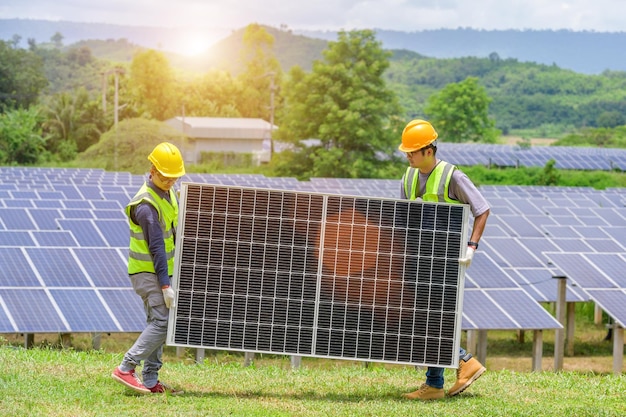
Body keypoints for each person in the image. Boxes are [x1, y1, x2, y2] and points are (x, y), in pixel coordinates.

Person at [398, 119, 490, 401]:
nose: (408, 156)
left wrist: (471, 246)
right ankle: (436, 383)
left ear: (429, 150)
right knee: (426, 318)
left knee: (431, 319)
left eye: (412, 151)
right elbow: (402, 218)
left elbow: (482, 209)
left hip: (446, 261)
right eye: (406, 152)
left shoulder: (453, 176)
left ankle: (464, 361)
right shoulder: (409, 177)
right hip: (419, 259)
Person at [111, 142, 186, 395]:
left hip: (162, 271)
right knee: (163, 324)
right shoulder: (145, 205)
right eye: (165, 176)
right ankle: (125, 368)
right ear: (152, 169)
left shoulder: (169, 194)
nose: (169, 181)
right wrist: (165, 285)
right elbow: (156, 247)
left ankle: (151, 380)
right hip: (148, 272)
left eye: (174, 177)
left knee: (158, 322)